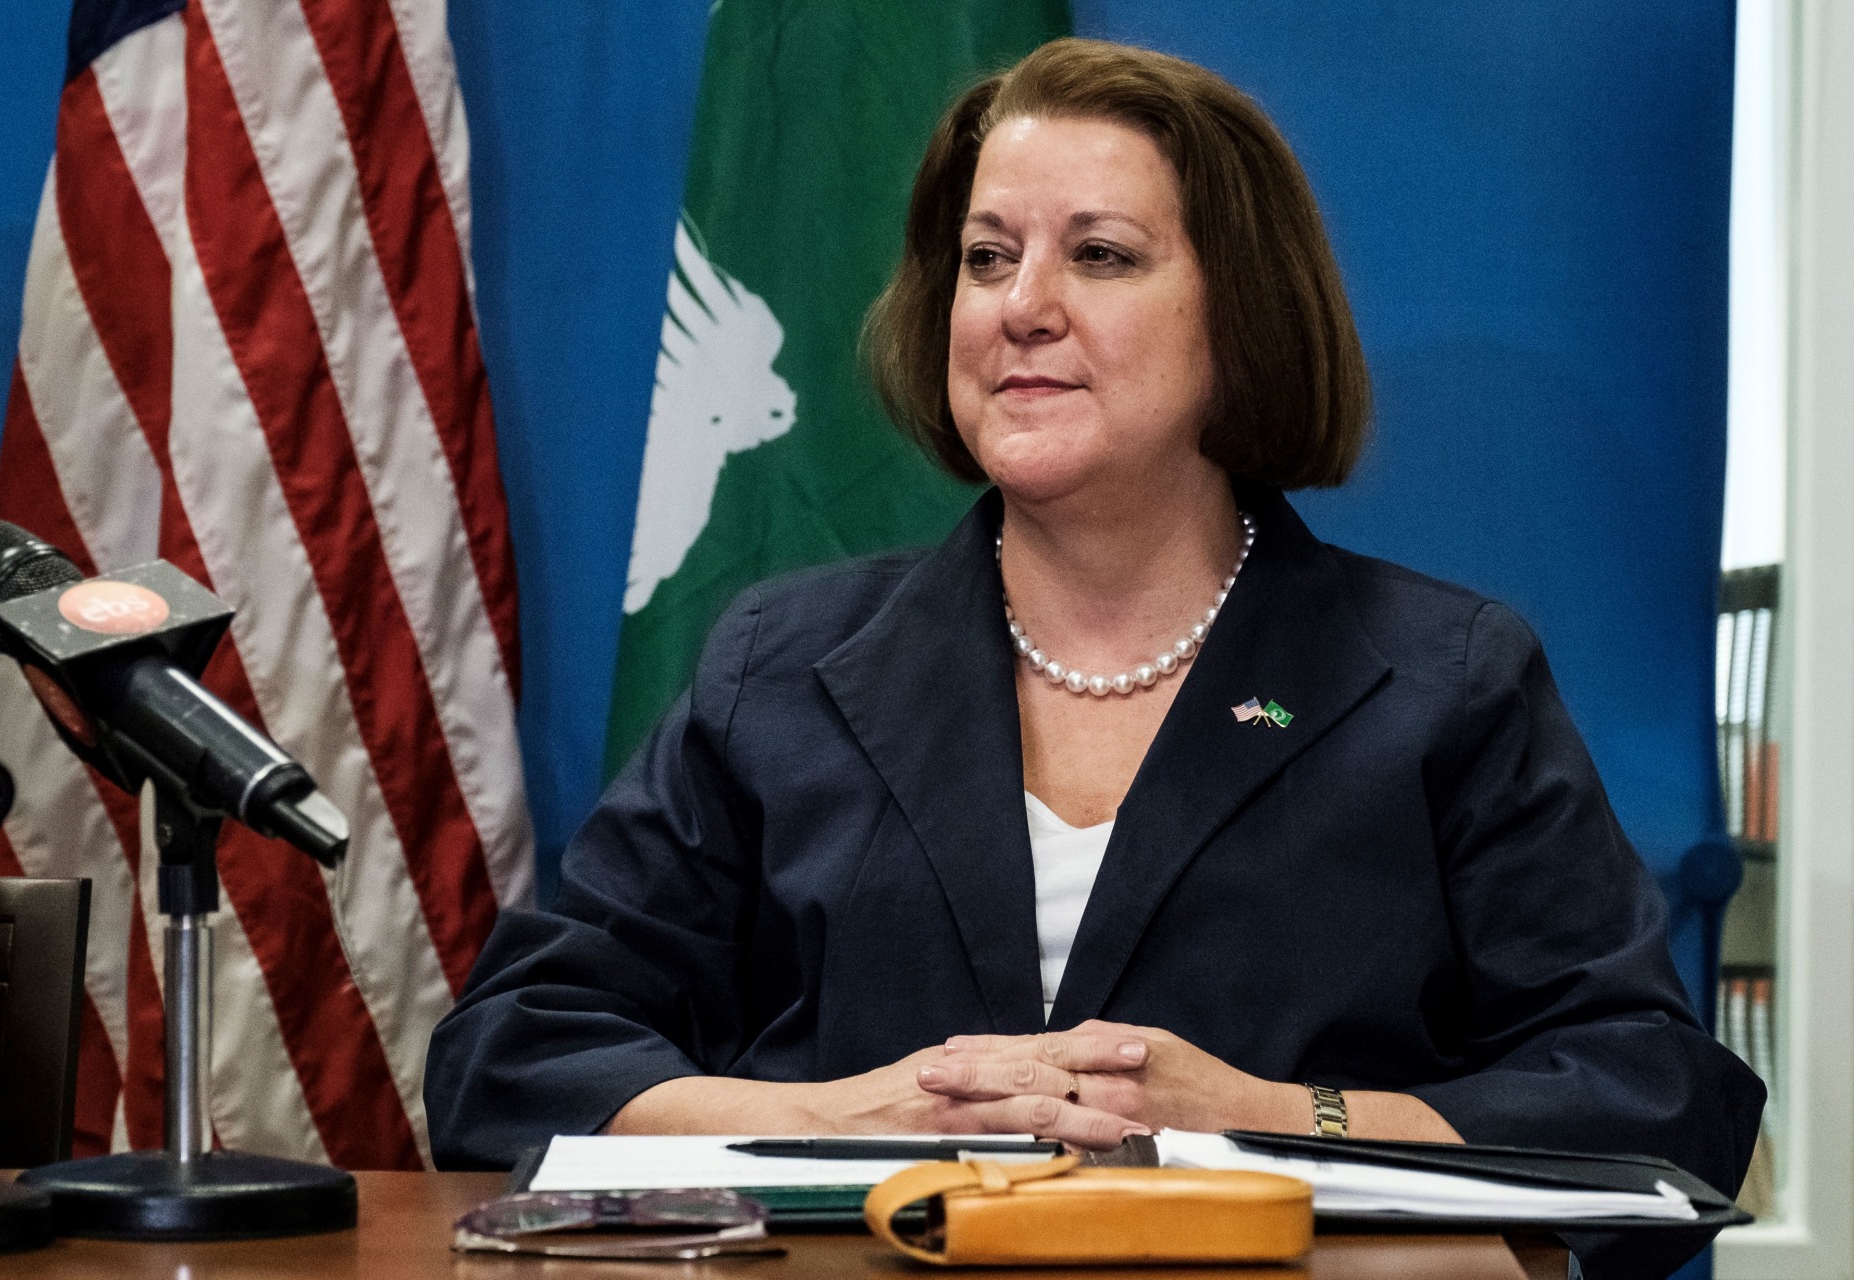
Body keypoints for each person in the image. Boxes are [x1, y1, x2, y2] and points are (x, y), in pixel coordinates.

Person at [426, 37, 1761, 1275]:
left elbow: (1648, 1093)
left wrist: (1270, 1118)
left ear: (1241, 316)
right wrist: (849, 1117)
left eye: (1102, 256)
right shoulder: (782, 666)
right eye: (987, 257)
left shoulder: (1442, 679)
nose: (1023, 306)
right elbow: (514, 1051)